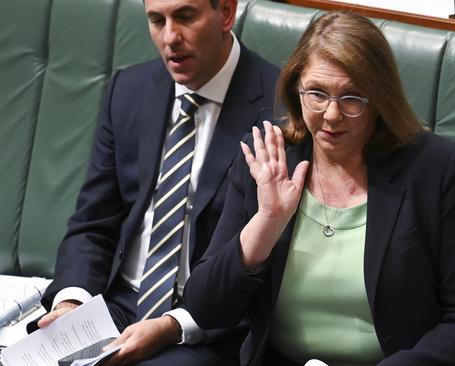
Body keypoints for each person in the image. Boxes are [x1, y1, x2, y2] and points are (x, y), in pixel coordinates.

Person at [184, 11, 455, 366]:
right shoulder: (269, 160)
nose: (332, 114)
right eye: (317, 94)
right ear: (297, 89)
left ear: (380, 98)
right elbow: (206, 309)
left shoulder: (436, 170)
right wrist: (268, 221)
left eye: (352, 98)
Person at [35, 0, 278, 365]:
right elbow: (93, 221)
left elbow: (259, 264)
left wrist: (171, 325)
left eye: (185, 17)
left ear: (226, 13)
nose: (170, 38)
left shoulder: (278, 104)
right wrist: (73, 302)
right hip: (117, 306)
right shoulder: (129, 90)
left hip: (206, 325)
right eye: (156, 20)